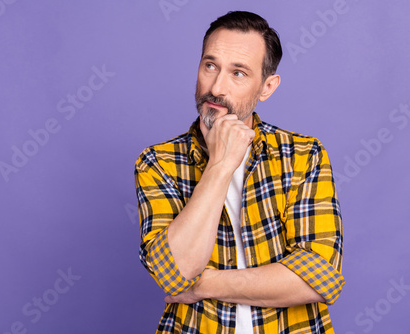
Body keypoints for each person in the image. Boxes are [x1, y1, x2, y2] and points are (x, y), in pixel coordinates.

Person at [135, 11, 344, 333]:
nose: (216, 87)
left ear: (267, 86)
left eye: (239, 73)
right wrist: (220, 164)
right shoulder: (158, 162)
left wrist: (203, 285)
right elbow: (174, 273)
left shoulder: (303, 155)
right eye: (210, 66)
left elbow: (319, 280)